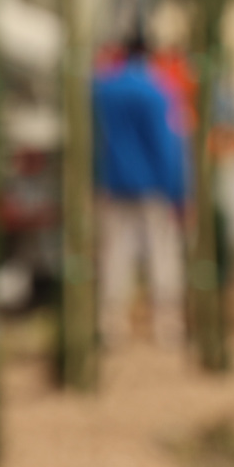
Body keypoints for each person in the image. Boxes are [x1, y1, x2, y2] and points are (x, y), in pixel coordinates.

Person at [92, 32, 188, 350]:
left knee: (115, 256)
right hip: (154, 187)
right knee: (161, 254)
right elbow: (167, 145)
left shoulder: (102, 89)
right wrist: (178, 190)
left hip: (112, 183)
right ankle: (167, 326)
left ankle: (111, 326)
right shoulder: (158, 91)